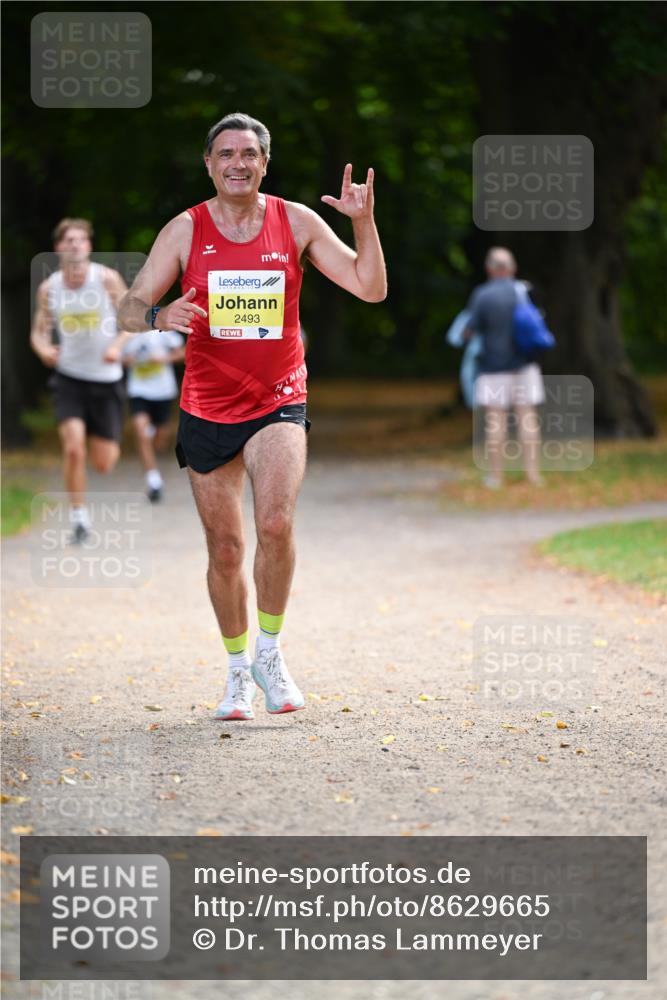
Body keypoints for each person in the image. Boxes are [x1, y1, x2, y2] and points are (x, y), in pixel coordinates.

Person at [118, 112, 386, 720]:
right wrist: (160, 318)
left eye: (249, 154)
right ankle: (237, 668)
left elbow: (370, 288)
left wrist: (364, 223)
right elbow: (129, 306)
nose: (238, 163)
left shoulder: (297, 222)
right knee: (226, 548)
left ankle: (270, 651)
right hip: (207, 406)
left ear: (265, 163)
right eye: (225, 154)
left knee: (273, 524)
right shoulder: (186, 230)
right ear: (208, 164)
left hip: (279, 399)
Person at [30, 218, 129, 543]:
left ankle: (97, 441)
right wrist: (44, 350)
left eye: (80, 240)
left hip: (106, 379)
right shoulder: (50, 288)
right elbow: (39, 332)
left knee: (103, 463)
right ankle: (79, 518)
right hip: (69, 378)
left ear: (88, 246)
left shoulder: (106, 279)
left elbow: (131, 320)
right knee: (73, 449)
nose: (74, 245)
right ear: (58, 247)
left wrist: (115, 346)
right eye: (68, 240)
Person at [466, 247, 545, 488]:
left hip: (493, 369)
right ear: (512, 268)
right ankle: (533, 475)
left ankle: (496, 477)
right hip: (524, 366)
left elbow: (470, 331)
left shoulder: (482, 295)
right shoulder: (524, 291)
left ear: (489, 269)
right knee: (527, 418)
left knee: (496, 422)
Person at [122, 328, 185, 501]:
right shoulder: (128, 333)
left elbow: (184, 353)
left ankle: (151, 438)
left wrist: (163, 358)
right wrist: (130, 360)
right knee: (141, 432)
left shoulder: (163, 331)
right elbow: (119, 358)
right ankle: (153, 480)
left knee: (161, 439)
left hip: (163, 392)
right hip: (138, 390)